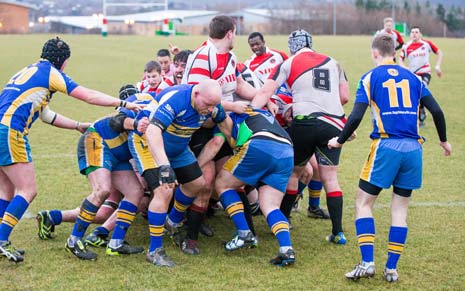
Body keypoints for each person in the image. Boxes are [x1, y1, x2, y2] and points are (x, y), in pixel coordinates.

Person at [0, 37, 140, 263]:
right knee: (27, 189)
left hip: (1, 128)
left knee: (5, 191)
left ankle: (1, 238)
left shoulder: (29, 70)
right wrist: (123, 103)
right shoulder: (51, 73)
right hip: (10, 131)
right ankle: (2, 240)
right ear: (63, 62)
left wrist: (76, 125)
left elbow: (45, 114)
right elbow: (88, 96)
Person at [327, 33, 452, 282]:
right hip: (414, 150)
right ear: (395, 53)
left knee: (363, 203)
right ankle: (391, 269)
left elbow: (356, 116)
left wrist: (339, 140)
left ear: (375, 53)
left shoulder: (369, 77)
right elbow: (436, 110)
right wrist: (443, 141)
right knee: (400, 210)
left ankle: (367, 262)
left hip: (386, 146)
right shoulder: (414, 79)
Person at [251, 29, 350, 244]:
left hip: (305, 122)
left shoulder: (288, 63)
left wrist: (249, 114)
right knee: (331, 178)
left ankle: (284, 220)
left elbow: (264, 93)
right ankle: (338, 232)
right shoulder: (334, 62)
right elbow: (344, 97)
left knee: (294, 172)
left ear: (291, 47)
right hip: (334, 124)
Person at [179, 15, 257, 255]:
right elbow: (198, 98)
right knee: (205, 181)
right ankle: (188, 237)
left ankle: (248, 234)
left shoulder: (230, 58)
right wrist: (233, 107)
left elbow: (239, 87)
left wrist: (264, 98)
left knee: (234, 177)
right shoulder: (204, 56)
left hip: (220, 125)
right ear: (231, 33)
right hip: (198, 128)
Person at [201, 106, 296, 266]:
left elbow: (217, 138)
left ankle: (244, 233)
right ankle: (286, 250)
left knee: (222, 184)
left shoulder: (227, 116)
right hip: (287, 150)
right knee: (271, 206)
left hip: (260, 144)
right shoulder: (258, 112)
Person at [143, 79, 222, 267]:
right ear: (196, 94)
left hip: (178, 148)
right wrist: (164, 165)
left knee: (197, 183)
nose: (211, 110)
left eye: (214, 105)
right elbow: (152, 131)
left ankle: (172, 222)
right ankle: (154, 251)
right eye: (208, 105)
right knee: (165, 190)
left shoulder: (210, 104)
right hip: (150, 146)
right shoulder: (176, 98)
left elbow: (223, 119)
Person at [399, 26, 443, 127]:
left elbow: (439, 52)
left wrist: (437, 66)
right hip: (413, 75)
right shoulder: (406, 46)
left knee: (422, 88)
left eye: (417, 32)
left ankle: (421, 116)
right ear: (410, 34)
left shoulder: (426, 44)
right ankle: (421, 111)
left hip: (425, 73)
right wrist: (404, 68)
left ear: (420, 34)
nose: (414, 34)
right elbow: (400, 59)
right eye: (412, 32)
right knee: (415, 96)